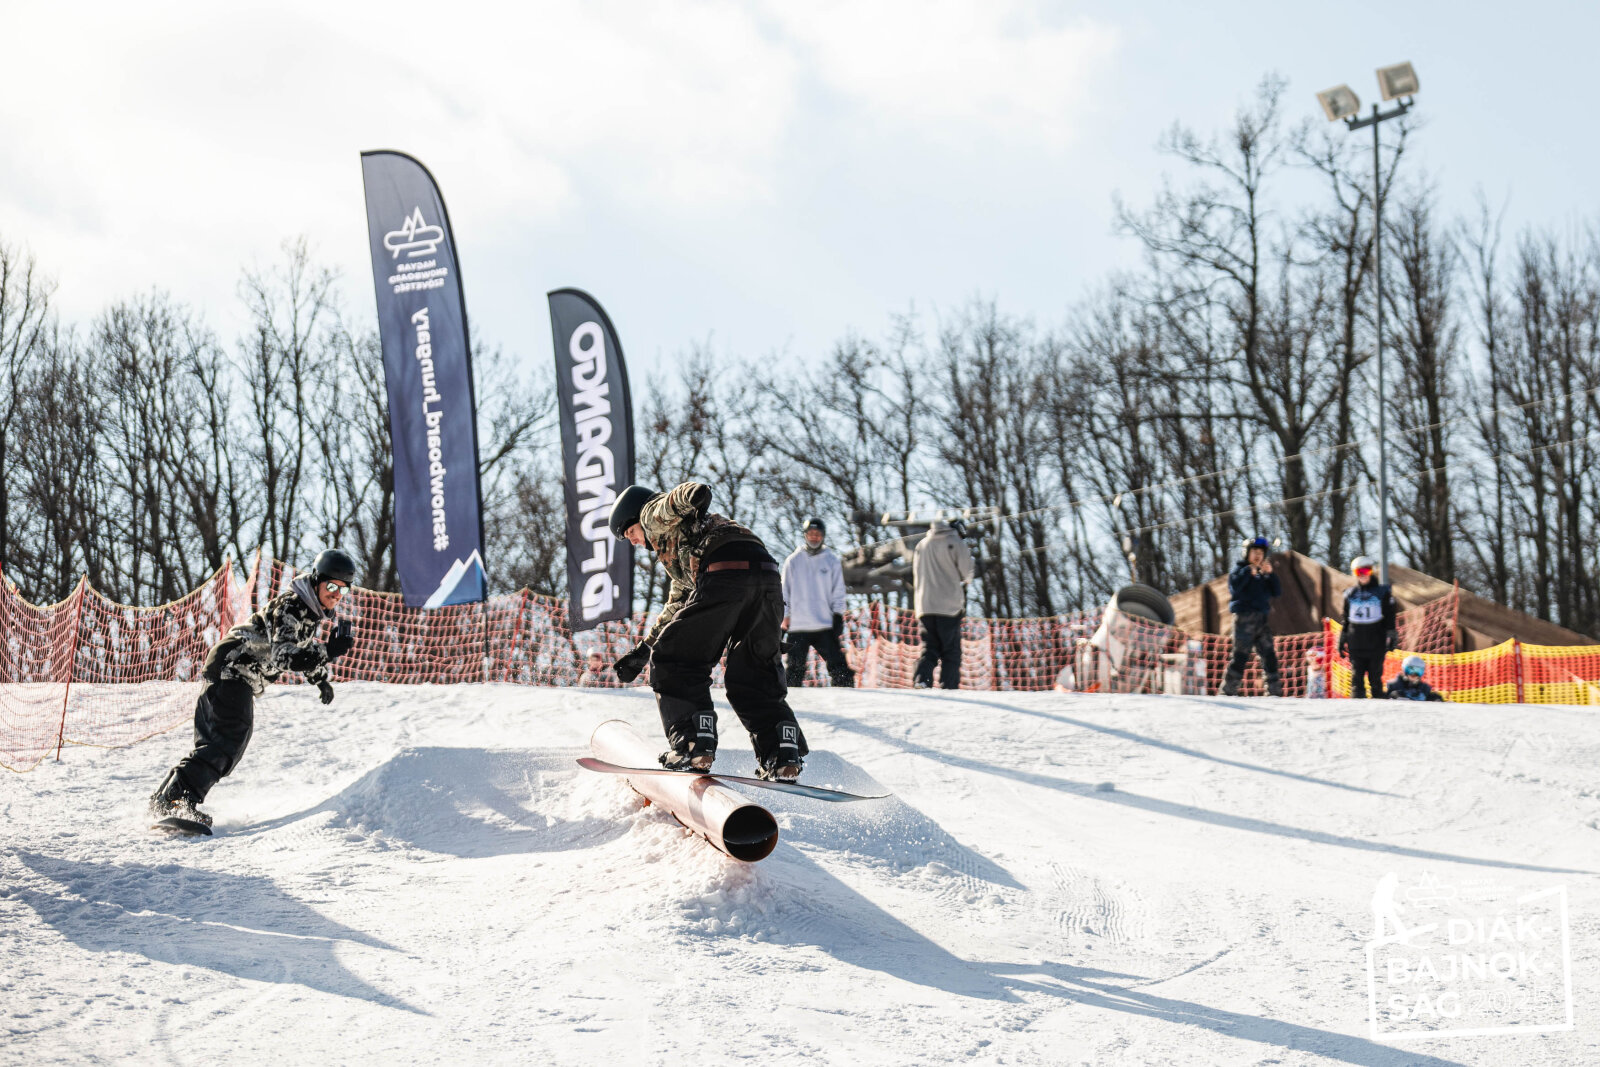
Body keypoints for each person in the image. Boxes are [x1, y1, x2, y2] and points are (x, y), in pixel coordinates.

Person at [607, 482, 809, 780]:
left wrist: (693, 495)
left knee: (676, 660)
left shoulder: (651, 514)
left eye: (631, 534)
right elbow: (676, 606)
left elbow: (674, 500)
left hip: (723, 573)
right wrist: (642, 651)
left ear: (636, 517)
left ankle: (694, 742)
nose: (635, 542)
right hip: (766, 579)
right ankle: (782, 751)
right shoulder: (683, 555)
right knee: (753, 673)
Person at [148, 549, 358, 827]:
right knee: (229, 740)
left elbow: (299, 651)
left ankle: (168, 797)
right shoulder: (293, 606)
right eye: (331, 586)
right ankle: (175, 800)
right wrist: (327, 651)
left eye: (343, 590)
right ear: (317, 580)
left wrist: (320, 677)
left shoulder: (308, 612)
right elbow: (284, 655)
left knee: (222, 743)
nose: (336, 594)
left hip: (233, 671)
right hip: (233, 667)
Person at [781, 517, 855, 688]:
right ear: (805, 535)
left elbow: (838, 591)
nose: (814, 537)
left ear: (823, 536)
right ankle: (791, 699)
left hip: (823, 623)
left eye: (818, 534)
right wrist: (785, 616)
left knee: (838, 665)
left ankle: (847, 694)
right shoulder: (793, 560)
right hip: (798, 625)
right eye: (811, 534)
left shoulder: (831, 560)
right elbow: (785, 591)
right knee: (794, 667)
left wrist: (837, 614)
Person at [910, 517, 974, 690]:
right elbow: (967, 573)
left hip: (925, 605)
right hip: (949, 605)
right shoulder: (956, 542)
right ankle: (949, 686)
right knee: (950, 651)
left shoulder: (921, 545)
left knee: (929, 648)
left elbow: (915, 573)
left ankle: (921, 680)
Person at [1223, 535, 1282, 697]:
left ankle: (1274, 692)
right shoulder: (1239, 570)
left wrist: (1270, 575)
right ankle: (1228, 691)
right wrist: (1247, 572)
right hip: (1244, 619)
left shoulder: (1263, 574)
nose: (1257, 555)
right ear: (1246, 553)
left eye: (1260, 552)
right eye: (1254, 551)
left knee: (1269, 655)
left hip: (1261, 620)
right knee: (1240, 656)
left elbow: (1276, 592)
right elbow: (1234, 588)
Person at [1338, 555, 1399, 699]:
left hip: (1376, 641)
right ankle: (1357, 714)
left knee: (1375, 678)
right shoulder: (1350, 594)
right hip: (1356, 642)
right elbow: (1346, 619)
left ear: (1371, 572)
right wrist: (1342, 639)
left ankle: (1378, 711)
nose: (1363, 575)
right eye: (1359, 572)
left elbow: (1390, 616)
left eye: (1366, 571)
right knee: (1356, 679)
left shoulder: (1382, 592)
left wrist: (1391, 635)